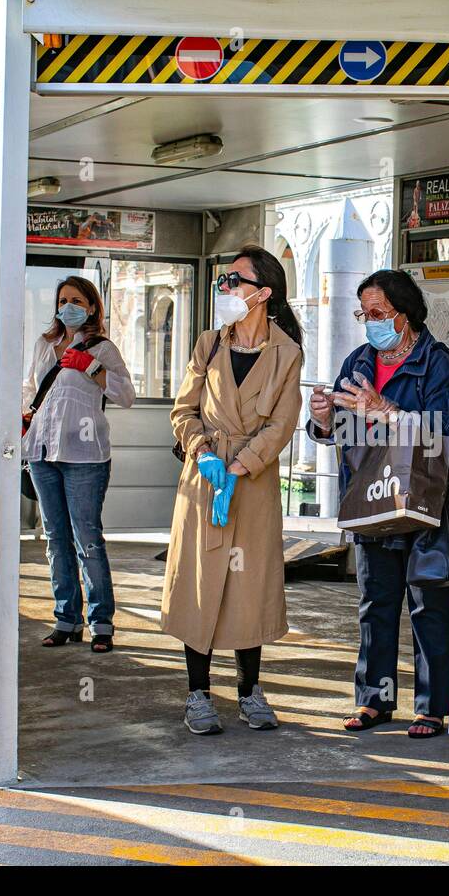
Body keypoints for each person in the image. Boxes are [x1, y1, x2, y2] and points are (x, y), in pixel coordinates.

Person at [307, 269, 449, 738]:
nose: (370, 322)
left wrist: (390, 413)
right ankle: (373, 701)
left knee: (428, 604)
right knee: (375, 602)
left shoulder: (437, 363)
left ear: (405, 315)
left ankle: (433, 707)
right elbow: (338, 431)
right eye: (364, 313)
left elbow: (446, 430)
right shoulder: (358, 360)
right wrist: (322, 420)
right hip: (371, 501)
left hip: (423, 503)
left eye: (378, 313)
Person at [160, 245, 304, 735]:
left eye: (234, 280)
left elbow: (283, 424)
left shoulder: (288, 353)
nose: (224, 288)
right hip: (203, 482)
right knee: (199, 585)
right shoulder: (208, 344)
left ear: (262, 293)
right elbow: (184, 410)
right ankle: (197, 694)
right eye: (223, 280)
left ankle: (249, 692)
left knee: (250, 587)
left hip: (254, 483)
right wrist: (203, 454)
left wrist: (239, 469)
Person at [23, 275, 136, 652]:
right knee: (56, 540)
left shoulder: (102, 348)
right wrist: (22, 415)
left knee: (87, 539)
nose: (67, 305)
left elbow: (126, 395)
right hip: (42, 452)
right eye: (62, 299)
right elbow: (30, 389)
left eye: (75, 299)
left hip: (85, 456)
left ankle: (101, 623)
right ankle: (65, 619)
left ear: (90, 307)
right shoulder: (44, 345)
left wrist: (90, 366)